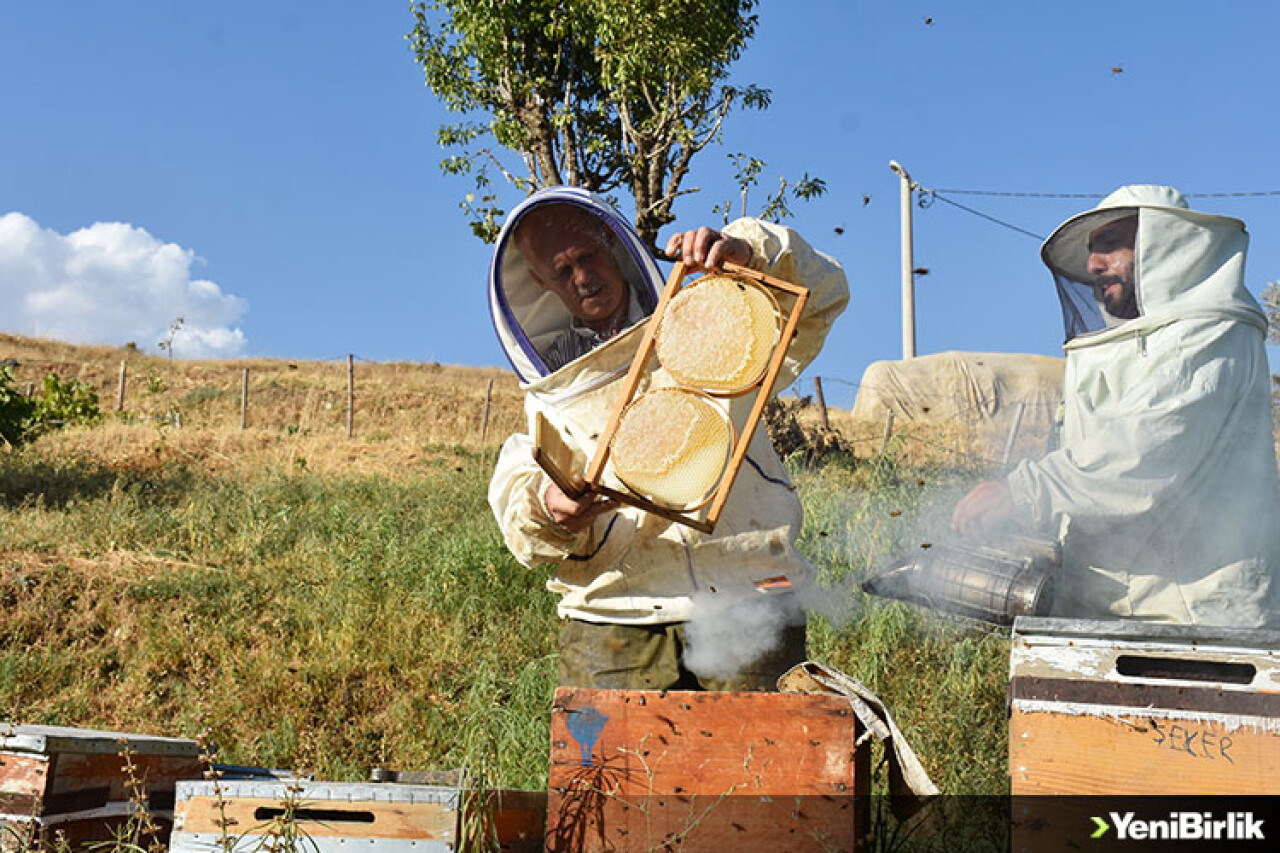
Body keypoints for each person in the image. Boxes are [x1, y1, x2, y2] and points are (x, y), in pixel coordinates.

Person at [487, 185, 849, 689]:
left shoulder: (710, 314)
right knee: (612, 771)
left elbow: (825, 292)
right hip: (616, 616)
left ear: (612, 243)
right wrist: (550, 507)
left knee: (766, 764)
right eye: (563, 271)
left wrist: (750, 255)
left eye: (588, 257)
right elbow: (520, 492)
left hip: (751, 593)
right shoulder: (556, 382)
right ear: (539, 281)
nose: (583, 278)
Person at [952, 184, 1280, 628]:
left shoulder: (1214, 334)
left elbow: (1146, 450)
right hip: (1104, 611)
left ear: (1166, 245)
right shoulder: (1127, 349)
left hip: (1198, 617)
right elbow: (1094, 473)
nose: (1092, 265)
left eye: (1109, 244)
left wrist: (1024, 491)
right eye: (1091, 250)